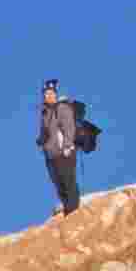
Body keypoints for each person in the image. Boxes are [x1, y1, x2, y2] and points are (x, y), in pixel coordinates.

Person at [37, 77, 81, 217]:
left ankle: (73, 210)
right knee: (58, 183)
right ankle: (68, 209)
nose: (47, 96)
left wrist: (68, 146)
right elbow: (46, 133)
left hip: (64, 152)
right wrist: (41, 142)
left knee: (68, 180)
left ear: (55, 94)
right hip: (51, 155)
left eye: (50, 93)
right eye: (45, 94)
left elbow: (69, 127)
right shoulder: (45, 113)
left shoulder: (61, 108)